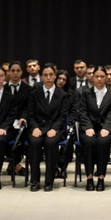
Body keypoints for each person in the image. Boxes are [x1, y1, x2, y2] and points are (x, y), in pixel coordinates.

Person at [18, 64, 69, 192]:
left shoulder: (62, 95)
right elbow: (30, 114)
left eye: (51, 75)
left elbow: (62, 116)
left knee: (50, 143)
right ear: (42, 77)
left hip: (54, 128)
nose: (48, 77)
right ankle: (35, 180)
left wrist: (55, 129)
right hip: (37, 127)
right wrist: (34, 127)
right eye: (45, 75)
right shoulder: (34, 94)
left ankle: (49, 181)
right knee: (34, 143)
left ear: (55, 76)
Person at [77, 66, 111, 191]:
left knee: (102, 142)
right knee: (89, 142)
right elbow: (82, 112)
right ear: (92, 77)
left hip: (106, 128)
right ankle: (89, 177)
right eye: (97, 76)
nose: (99, 79)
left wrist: (107, 128)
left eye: (102, 76)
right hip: (89, 128)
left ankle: (101, 177)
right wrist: (87, 127)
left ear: (106, 77)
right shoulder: (85, 93)